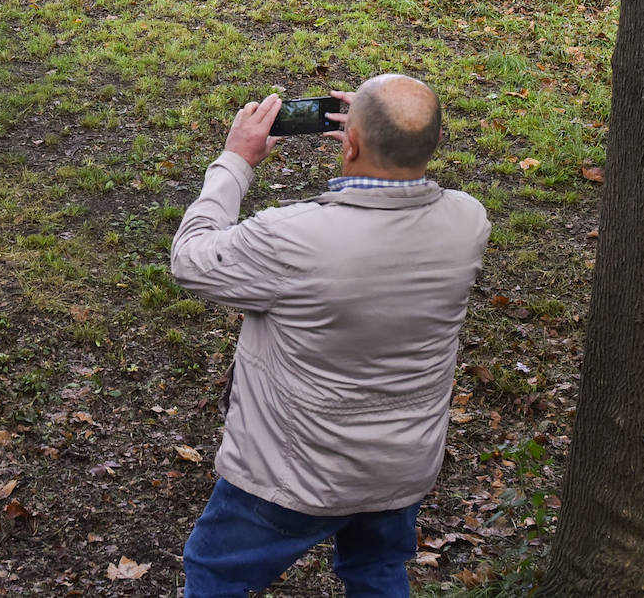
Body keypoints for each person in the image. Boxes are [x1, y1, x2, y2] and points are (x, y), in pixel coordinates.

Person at [171, 74, 490, 598]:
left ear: (353, 142)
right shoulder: (468, 220)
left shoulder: (292, 237)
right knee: (376, 570)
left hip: (294, 470)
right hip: (400, 467)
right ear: (434, 143)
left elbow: (191, 260)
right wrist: (385, 121)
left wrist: (235, 161)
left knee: (215, 573)